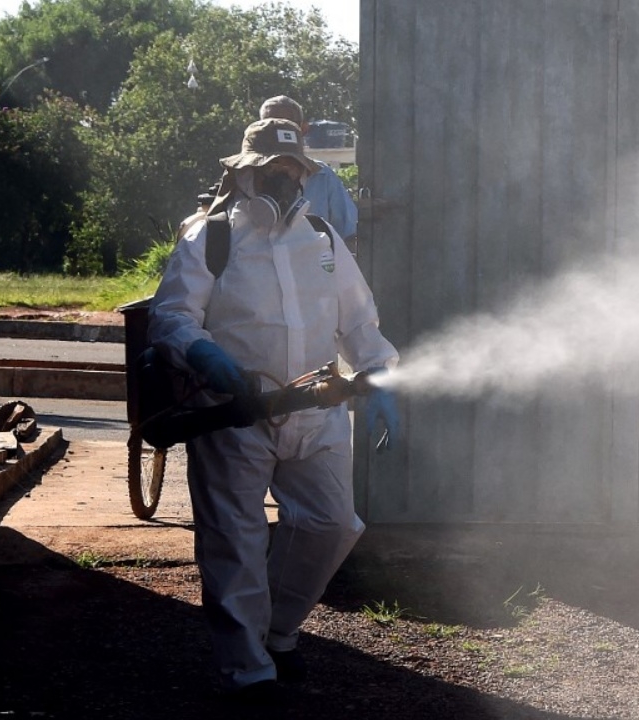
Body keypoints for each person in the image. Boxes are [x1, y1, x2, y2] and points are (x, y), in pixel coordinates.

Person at [147, 117, 400, 703]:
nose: (285, 178)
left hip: (316, 408)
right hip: (234, 413)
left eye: (293, 169)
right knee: (233, 540)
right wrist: (203, 353)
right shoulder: (209, 236)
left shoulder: (323, 239)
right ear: (246, 172)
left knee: (333, 525)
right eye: (273, 169)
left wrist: (377, 372)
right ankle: (247, 670)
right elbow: (172, 316)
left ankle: (279, 632)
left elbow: (358, 321)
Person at [258, 95, 359, 246]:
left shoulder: (322, 176)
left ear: (303, 129)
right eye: (269, 126)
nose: (276, 133)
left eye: (285, 127)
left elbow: (348, 233)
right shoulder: (245, 175)